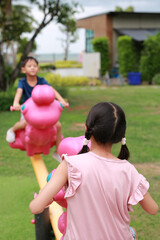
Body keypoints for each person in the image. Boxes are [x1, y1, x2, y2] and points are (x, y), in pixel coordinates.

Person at [29, 102, 159, 240]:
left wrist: (46, 198)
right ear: (121, 136)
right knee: (132, 232)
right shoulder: (128, 170)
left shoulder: (70, 165)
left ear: (87, 128)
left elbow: (35, 207)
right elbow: (153, 209)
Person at [6, 56, 68, 161]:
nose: (33, 68)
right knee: (24, 123)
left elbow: (51, 90)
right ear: (23, 69)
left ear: (38, 69)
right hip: (29, 112)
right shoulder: (22, 82)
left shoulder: (41, 81)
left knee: (58, 125)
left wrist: (61, 100)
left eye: (35, 66)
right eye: (29, 66)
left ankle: (57, 151)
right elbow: (19, 92)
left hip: (43, 112)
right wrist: (16, 103)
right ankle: (12, 130)